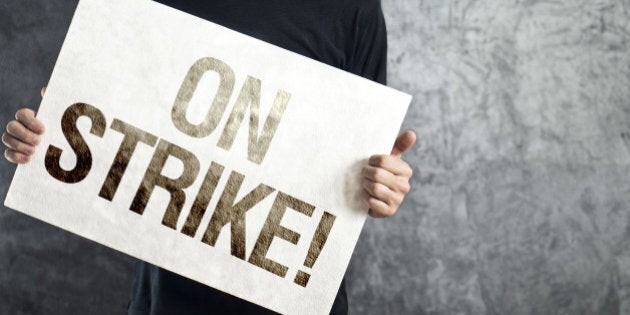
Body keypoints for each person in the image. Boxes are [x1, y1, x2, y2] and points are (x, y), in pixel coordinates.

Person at [2, 0, 416, 314]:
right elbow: (108, 126)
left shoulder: (351, 10)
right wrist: (46, 137)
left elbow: (366, 162)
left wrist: (382, 187)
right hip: (166, 299)